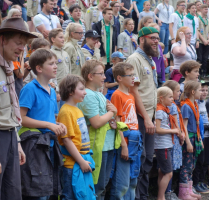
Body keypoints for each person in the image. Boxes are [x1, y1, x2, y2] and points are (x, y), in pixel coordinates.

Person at [19, 48, 66, 199]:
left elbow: (51, 116)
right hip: (34, 147)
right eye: (51, 63)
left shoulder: (52, 91)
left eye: (55, 63)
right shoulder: (30, 89)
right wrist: (48, 125)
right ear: (38, 68)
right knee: (37, 192)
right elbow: (21, 118)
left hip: (50, 145)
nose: (56, 66)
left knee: (50, 191)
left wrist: (58, 124)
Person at [0, 17, 35, 200]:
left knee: (12, 193)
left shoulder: (8, 65)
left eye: (24, 45)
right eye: (18, 43)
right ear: (2, 39)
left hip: (10, 135)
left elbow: (9, 109)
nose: (22, 49)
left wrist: (17, 142)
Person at [125, 26, 158, 200]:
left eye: (157, 38)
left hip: (149, 115)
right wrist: (146, 118)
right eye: (152, 38)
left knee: (147, 159)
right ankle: (135, 196)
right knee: (140, 157)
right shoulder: (134, 59)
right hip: (139, 116)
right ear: (142, 39)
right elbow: (133, 92)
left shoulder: (150, 60)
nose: (156, 41)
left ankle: (143, 195)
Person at [78, 60, 118, 199]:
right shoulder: (88, 95)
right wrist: (112, 113)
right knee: (96, 186)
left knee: (103, 184)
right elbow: (96, 122)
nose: (104, 77)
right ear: (90, 76)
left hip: (106, 145)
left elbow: (107, 116)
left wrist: (111, 115)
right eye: (101, 74)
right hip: (97, 146)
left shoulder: (99, 94)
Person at [57, 75, 96, 200]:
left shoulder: (77, 109)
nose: (85, 92)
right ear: (70, 91)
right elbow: (67, 140)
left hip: (81, 161)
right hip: (72, 165)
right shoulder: (66, 111)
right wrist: (81, 161)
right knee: (71, 196)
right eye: (81, 89)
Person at [110, 62, 142, 200]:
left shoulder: (131, 95)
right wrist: (123, 145)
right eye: (130, 75)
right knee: (122, 183)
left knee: (133, 180)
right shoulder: (117, 95)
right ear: (119, 78)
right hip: (126, 142)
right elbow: (118, 122)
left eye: (133, 75)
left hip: (135, 141)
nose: (133, 78)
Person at [154, 86, 180, 200]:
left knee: (162, 172)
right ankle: (161, 197)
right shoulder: (160, 111)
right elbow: (158, 129)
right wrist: (173, 130)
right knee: (169, 173)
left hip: (166, 145)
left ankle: (161, 195)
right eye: (169, 97)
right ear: (161, 98)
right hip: (162, 145)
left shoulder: (165, 110)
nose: (172, 99)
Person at [178, 80, 202, 200]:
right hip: (189, 138)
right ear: (193, 92)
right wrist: (187, 142)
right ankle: (183, 193)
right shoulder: (186, 106)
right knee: (186, 166)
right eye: (200, 90)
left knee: (192, 165)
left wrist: (200, 139)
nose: (202, 92)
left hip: (195, 138)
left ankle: (189, 190)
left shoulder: (195, 105)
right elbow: (184, 127)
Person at [162, 80, 185, 199]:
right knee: (169, 167)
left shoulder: (172, 105)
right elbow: (175, 124)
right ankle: (168, 192)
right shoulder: (172, 106)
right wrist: (181, 135)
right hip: (173, 139)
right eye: (177, 91)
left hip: (172, 139)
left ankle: (169, 191)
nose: (180, 92)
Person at [192, 81, 209, 194]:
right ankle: (195, 183)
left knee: (206, 160)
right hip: (200, 136)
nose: (204, 92)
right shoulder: (195, 103)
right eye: (202, 90)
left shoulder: (204, 103)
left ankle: (201, 181)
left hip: (207, 135)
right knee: (199, 161)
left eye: (206, 90)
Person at [49, 28, 71, 108]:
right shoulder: (50, 53)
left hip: (67, 89)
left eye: (63, 37)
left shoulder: (65, 53)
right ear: (53, 39)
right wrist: (56, 91)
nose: (63, 39)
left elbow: (69, 72)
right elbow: (50, 75)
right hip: (56, 91)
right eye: (60, 37)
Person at [93, 7, 117, 71]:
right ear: (103, 14)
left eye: (112, 14)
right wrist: (99, 55)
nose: (111, 16)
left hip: (111, 59)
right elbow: (96, 41)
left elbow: (115, 42)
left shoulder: (113, 27)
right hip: (102, 58)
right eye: (109, 14)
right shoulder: (96, 25)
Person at [197, 4, 209, 77]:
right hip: (200, 42)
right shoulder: (198, 19)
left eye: (207, 9)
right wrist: (203, 40)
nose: (206, 11)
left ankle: (204, 73)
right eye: (205, 9)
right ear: (201, 10)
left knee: (205, 59)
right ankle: (198, 72)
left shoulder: (208, 20)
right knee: (200, 58)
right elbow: (197, 31)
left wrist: (208, 39)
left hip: (207, 42)